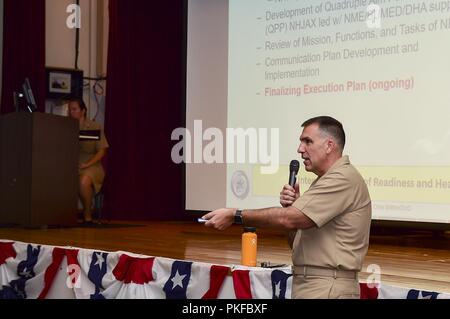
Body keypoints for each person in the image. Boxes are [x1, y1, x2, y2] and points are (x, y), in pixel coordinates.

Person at [202, 116, 372, 299]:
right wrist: (293, 207)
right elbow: (297, 241)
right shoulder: (325, 180)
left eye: (307, 141)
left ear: (329, 145)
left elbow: (287, 219)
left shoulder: (342, 178)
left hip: (328, 287)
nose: (300, 149)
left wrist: (236, 215)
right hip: (314, 284)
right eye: (301, 142)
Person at [68, 98, 109, 224]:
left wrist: (87, 164)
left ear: (83, 111)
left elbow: (102, 150)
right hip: (71, 164)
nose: (71, 112)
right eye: (69, 110)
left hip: (92, 164)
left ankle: (87, 212)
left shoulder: (94, 126)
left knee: (83, 181)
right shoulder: (65, 126)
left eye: (74, 109)